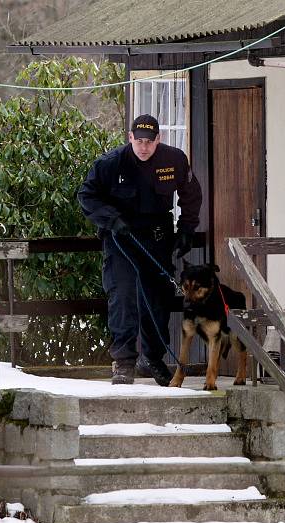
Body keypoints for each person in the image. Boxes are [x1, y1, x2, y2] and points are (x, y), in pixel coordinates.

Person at [78, 114, 202, 385]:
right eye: (139, 141)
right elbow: (86, 196)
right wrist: (111, 219)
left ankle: (153, 360)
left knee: (157, 300)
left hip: (158, 240)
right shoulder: (111, 164)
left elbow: (191, 196)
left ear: (159, 139)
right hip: (122, 240)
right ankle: (123, 363)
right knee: (123, 298)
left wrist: (186, 231)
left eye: (150, 141)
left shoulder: (174, 160)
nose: (144, 147)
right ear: (130, 138)